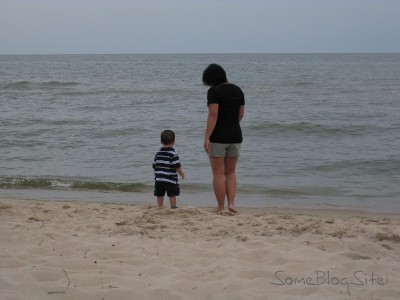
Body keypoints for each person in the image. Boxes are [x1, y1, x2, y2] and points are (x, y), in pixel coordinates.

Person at [202, 64, 245, 213]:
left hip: (218, 137)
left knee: (218, 173)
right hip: (235, 135)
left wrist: (207, 136)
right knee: (231, 172)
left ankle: (220, 207)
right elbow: (240, 115)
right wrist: (231, 125)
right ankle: (231, 204)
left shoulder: (213, 91)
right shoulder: (238, 90)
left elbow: (213, 114)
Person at [152, 130, 185, 208]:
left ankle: (160, 206)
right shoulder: (173, 154)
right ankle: (173, 207)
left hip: (159, 179)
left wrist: (156, 173)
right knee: (172, 194)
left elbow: (154, 165)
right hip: (170, 179)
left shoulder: (158, 153)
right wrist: (181, 173)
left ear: (161, 141)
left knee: (159, 194)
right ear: (174, 141)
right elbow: (176, 166)